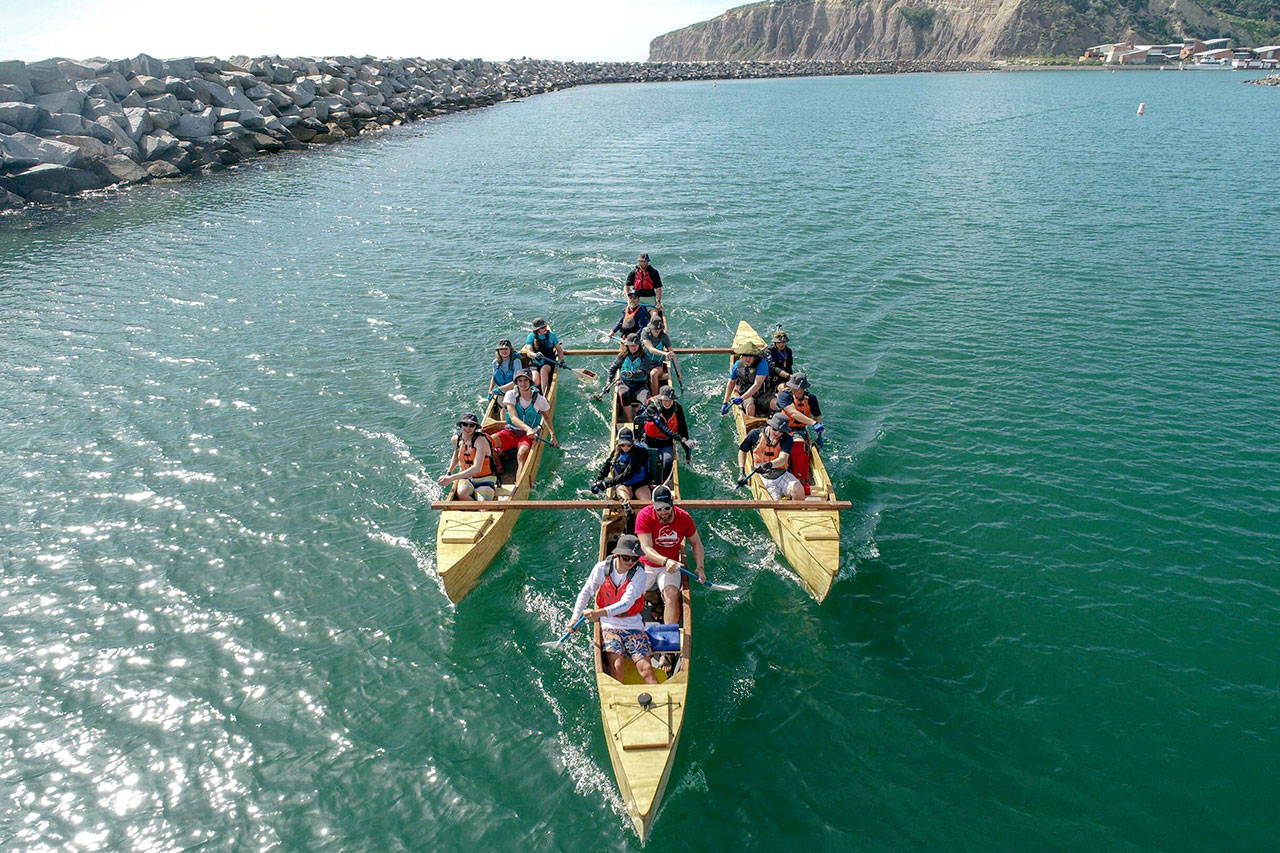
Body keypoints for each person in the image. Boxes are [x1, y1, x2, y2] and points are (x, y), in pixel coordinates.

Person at [567, 534, 658, 685]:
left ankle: (659, 698)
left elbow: (626, 603)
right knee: (617, 666)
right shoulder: (602, 568)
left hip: (632, 623)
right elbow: (586, 592)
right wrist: (575, 618)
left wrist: (597, 613)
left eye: (635, 559)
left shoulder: (640, 574)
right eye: (626, 558)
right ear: (616, 555)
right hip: (609, 623)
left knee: (646, 669)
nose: (630, 562)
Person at [636, 485, 705, 633]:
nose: (663, 513)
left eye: (666, 508)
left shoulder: (684, 517)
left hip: (670, 566)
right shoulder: (644, 515)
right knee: (631, 595)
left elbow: (696, 543)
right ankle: (651, 595)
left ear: (672, 502)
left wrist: (700, 567)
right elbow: (646, 549)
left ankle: (667, 640)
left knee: (672, 595)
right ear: (653, 505)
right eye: (658, 509)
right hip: (648, 565)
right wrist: (665, 561)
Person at [493, 368, 556, 469]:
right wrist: (527, 429)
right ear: (516, 382)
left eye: (526, 380)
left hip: (528, 436)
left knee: (521, 455)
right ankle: (499, 464)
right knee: (487, 442)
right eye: (520, 381)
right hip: (511, 431)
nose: (523, 384)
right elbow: (513, 417)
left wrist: (553, 435)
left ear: (530, 382)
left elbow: (547, 418)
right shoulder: (511, 394)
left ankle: (519, 483)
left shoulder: (540, 399)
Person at [737, 412, 805, 501]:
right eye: (775, 429)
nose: (777, 433)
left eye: (781, 431)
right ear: (770, 425)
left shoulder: (787, 438)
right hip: (763, 476)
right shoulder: (755, 434)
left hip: (781, 474)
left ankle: (797, 511)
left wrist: (768, 465)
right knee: (775, 503)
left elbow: (783, 459)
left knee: (798, 489)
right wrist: (742, 473)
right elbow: (742, 451)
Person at [776, 372, 822, 494]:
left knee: (798, 444)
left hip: (798, 431)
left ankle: (800, 479)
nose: (799, 390)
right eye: (796, 387)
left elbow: (817, 416)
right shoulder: (784, 396)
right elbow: (793, 413)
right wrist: (813, 423)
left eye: (801, 388)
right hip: (781, 429)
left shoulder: (811, 398)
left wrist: (820, 436)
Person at [636, 385, 692, 482]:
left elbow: (683, 429)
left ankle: (663, 484)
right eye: (665, 400)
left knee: (667, 462)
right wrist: (680, 439)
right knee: (645, 462)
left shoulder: (677, 408)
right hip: (649, 441)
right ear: (660, 399)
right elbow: (662, 427)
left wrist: (687, 453)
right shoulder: (652, 408)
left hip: (666, 442)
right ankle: (645, 483)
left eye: (670, 400)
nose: (667, 403)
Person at [438, 413, 498, 500]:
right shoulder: (456, 439)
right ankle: (477, 508)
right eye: (465, 424)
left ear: (475, 427)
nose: (468, 428)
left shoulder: (480, 441)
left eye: (472, 425)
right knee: (461, 494)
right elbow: (456, 455)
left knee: (483, 503)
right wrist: (448, 473)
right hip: (467, 478)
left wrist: (451, 478)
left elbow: (477, 468)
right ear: (461, 425)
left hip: (485, 479)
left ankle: (481, 508)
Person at [607, 333, 659, 422]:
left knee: (647, 399)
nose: (634, 347)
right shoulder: (622, 356)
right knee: (623, 394)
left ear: (639, 345)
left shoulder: (644, 357)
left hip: (640, 385)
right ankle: (630, 421)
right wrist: (608, 382)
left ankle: (641, 414)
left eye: (636, 345)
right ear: (627, 346)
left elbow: (642, 373)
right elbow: (613, 369)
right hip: (625, 384)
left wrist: (631, 374)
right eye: (631, 346)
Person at [720, 338, 778, 418]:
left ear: (755, 357)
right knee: (750, 406)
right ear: (741, 356)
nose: (748, 359)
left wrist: (741, 398)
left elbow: (757, 385)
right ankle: (751, 425)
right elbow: (731, 382)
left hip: (763, 394)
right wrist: (725, 402)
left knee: (777, 404)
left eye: (751, 356)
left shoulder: (762, 364)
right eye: (745, 356)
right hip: (746, 394)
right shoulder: (737, 365)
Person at [592, 427, 653, 502]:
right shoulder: (616, 452)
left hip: (641, 485)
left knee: (645, 502)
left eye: (629, 445)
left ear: (633, 443)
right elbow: (607, 466)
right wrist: (599, 480)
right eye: (622, 445)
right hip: (623, 485)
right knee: (624, 503)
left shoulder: (640, 453)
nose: (625, 447)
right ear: (619, 443)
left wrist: (606, 483)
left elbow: (628, 474)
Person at [522, 317, 563, 393]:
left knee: (543, 371)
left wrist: (563, 361)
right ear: (537, 330)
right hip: (535, 362)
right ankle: (531, 393)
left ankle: (544, 394)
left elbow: (559, 350)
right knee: (536, 382)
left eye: (545, 326)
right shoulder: (531, 336)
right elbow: (529, 352)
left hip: (548, 361)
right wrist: (535, 355)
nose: (545, 328)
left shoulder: (552, 335)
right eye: (542, 328)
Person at [639, 311, 675, 396]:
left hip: (657, 365)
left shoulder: (664, 336)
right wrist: (665, 353)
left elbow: (672, 353)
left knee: (653, 374)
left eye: (659, 329)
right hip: (643, 362)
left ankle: (655, 397)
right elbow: (651, 349)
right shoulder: (645, 333)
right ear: (650, 328)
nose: (657, 331)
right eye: (655, 329)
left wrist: (679, 374)